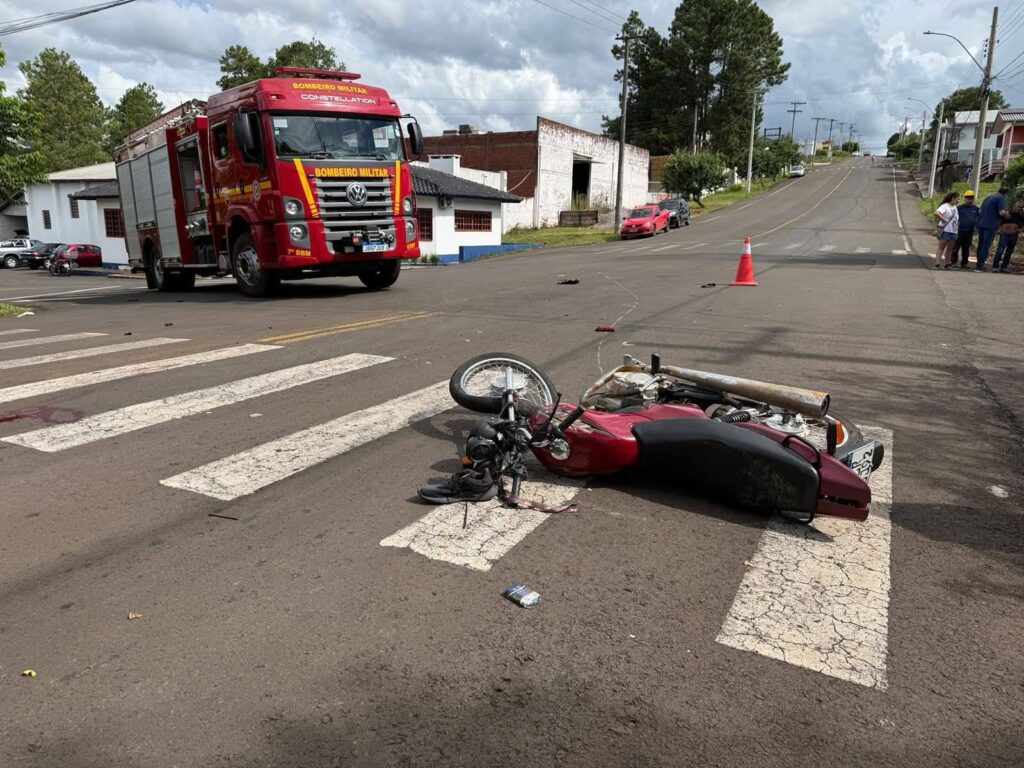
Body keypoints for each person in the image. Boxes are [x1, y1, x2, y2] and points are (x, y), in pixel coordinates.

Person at [975, 186, 1009, 271]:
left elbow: (980, 210)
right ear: (1006, 194)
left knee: (981, 244)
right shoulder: (1001, 199)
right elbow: (1001, 212)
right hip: (991, 225)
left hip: (981, 223)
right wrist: (1006, 214)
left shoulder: (988, 198)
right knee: (986, 245)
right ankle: (980, 264)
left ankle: (978, 263)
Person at [992, 199, 1024, 273]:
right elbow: (998, 221)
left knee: (1009, 252)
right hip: (1004, 235)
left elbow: (1022, 224)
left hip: (1013, 235)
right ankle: (995, 266)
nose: (1019, 208)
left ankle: (1004, 267)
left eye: (1021, 207)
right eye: (1018, 206)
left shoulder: (1020, 216)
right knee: (1000, 251)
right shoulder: (1006, 213)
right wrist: (999, 229)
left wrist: (1020, 229)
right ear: (1014, 205)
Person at [934, 191, 960, 269]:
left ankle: (947, 263)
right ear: (953, 198)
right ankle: (937, 263)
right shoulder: (945, 206)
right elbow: (936, 213)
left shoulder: (955, 208)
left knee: (950, 248)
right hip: (945, 230)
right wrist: (943, 219)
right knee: (941, 247)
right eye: (958, 199)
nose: (959, 201)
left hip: (953, 231)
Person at [955, 190, 980, 268]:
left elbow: (978, 218)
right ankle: (953, 262)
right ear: (965, 199)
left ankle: (964, 263)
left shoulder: (976, 209)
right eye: (968, 198)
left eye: (971, 198)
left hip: (969, 231)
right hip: (959, 231)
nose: (970, 200)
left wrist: (976, 228)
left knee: (966, 248)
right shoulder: (959, 208)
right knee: (956, 247)